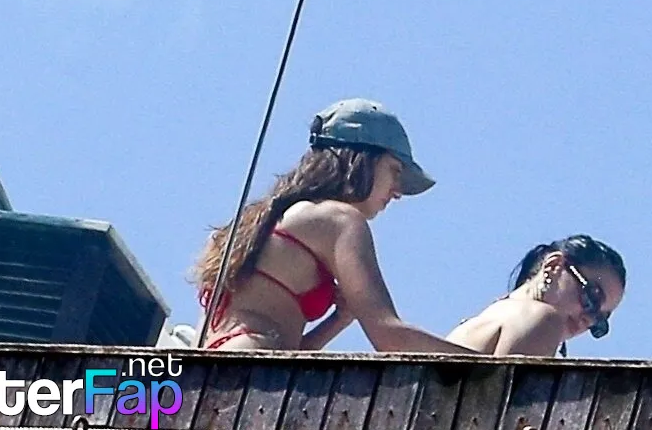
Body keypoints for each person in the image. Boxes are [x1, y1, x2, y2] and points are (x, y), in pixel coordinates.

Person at [192, 98, 475, 354]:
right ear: (362, 159)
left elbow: (273, 348)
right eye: (395, 171)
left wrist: (338, 320)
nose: (397, 191)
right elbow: (389, 336)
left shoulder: (253, 223)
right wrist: (487, 366)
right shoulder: (339, 219)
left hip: (209, 375)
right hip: (254, 373)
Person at [447, 234, 626, 356]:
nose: (589, 320)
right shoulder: (542, 317)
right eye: (592, 297)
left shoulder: (486, 318)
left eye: (600, 320)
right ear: (554, 266)